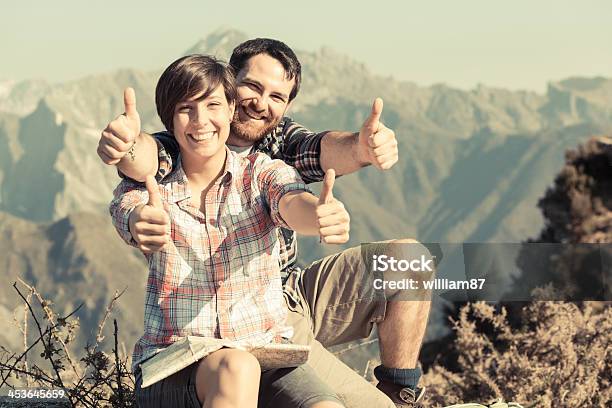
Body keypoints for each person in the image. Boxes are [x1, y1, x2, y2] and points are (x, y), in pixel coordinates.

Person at [100, 38, 432, 408]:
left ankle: (399, 395)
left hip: (280, 306)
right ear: (231, 84)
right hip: (196, 346)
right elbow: (142, 163)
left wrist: (360, 152)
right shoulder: (177, 150)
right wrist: (126, 150)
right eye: (253, 88)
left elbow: (307, 172)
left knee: (409, 260)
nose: (261, 103)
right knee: (238, 368)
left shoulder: (272, 154)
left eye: (277, 96)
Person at [110, 54, 350, 408]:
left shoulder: (262, 173)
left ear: (231, 110)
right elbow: (128, 211)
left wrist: (318, 216)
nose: (201, 120)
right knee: (235, 367)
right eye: (185, 109)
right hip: (177, 364)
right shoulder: (151, 187)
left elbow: (291, 201)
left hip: (266, 355)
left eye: (213, 105)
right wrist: (139, 222)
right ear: (169, 119)